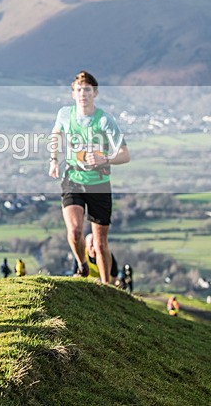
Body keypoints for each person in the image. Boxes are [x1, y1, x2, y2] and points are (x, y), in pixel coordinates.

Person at [48, 71, 130, 285]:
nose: (83, 94)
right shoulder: (65, 114)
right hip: (73, 178)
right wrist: (53, 160)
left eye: (87, 90)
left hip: (99, 184)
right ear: (73, 94)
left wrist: (105, 159)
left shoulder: (103, 120)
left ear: (95, 93)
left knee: (100, 243)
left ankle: (106, 285)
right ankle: (82, 265)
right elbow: (55, 135)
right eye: (78, 90)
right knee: (74, 231)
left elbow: (125, 154)